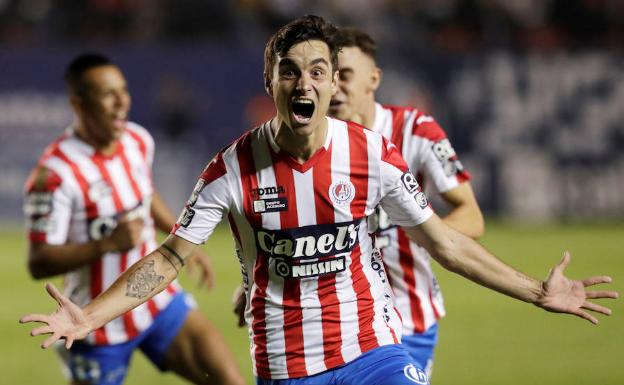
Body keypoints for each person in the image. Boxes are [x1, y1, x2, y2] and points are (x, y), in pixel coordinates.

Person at [21, 16, 617, 385]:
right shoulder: (231, 170)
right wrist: (91, 315)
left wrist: (538, 292)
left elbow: (449, 244)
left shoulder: (374, 155)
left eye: (317, 71)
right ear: (271, 83)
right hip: (286, 364)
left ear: (334, 83)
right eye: (288, 71)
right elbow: (169, 258)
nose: (303, 82)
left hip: (372, 351)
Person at [22, 53, 245, 385]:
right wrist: (107, 243)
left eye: (123, 91)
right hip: (95, 323)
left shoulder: (137, 140)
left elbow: (145, 193)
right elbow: (38, 262)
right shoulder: (54, 174)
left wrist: (182, 237)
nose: (121, 102)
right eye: (107, 94)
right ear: (80, 104)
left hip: (158, 303)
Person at [327, 27, 484, 376]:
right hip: (339, 324)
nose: (337, 87)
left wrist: (419, 230)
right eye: (331, 76)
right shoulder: (316, 141)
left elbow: (472, 217)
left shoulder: (415, 130)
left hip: (408, 320)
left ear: (373, 79)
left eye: (347, 76)